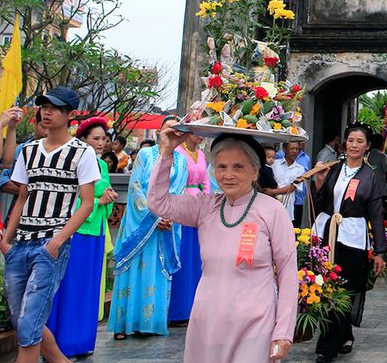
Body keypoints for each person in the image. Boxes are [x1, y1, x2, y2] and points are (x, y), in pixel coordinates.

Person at [149, 129, 297, 363]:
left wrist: (283, 332)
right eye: (222, 167)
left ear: (255, 171)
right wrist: (167, 152)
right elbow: (159, 202)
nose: (228, 175)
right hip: (207, 321)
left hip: (255, 323)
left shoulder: (272, 211)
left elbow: (288, 272)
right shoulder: (205, 206)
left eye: (238, 167)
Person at [2, 87, 100, 363]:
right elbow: (22, 196)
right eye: (44, 107)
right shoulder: (29, 150)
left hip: (50, 244)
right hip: (19, 243)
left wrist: (57, 242)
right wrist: (6, 242)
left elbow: (87, 203)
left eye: (54, 108)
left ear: (70, 114)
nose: (46, 112)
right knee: (20, 317)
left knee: (30, 322)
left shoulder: (82, 153)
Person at [311, 122, 387, 363]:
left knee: (346, 290)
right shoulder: (334, 169)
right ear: (345, 143)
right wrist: (320, 181)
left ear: (367, 146)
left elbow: (376, 214)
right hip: (329, 235)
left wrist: (380, 251)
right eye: (351, 140)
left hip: (353, 238)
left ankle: (330, 345)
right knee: (328, 288)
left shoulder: (370, 176)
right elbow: (321, 202)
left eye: (360, 141)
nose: (355, 145)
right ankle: (335, 339)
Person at [108, 116, 189, 340]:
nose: (172, 133)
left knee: (157, 269)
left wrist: (171, 215)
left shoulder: (182, 161)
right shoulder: (145, 154)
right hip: (141, 221)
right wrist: (153, 217)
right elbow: (135, 187)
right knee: (133, 268)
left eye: (176, 129)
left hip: (166, 225)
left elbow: (179, 192)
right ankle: (123, 324)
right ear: (159, 132)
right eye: (168, 129)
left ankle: (149, 323)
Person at [46, 116, 116, 357]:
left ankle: (83, 341)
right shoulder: (73, 160)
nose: (100, 143)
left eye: (103, 139)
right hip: (77, 230)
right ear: (83, 138)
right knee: (70, 285)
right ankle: (62, 342)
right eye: (95, 138)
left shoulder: (103, 165)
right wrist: (98, 201)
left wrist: (104, 200)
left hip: (96, 230)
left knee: (89, 287)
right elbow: (70, 198)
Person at [168, 131, 210, 325]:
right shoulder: (176, 152)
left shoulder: (201, 155)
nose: (201, 137)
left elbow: (206, 182)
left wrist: (206, 201)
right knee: (181, 255)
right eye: (198, 132)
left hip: (198, 207)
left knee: (196, 257)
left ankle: (195, 307)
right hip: (180, 204)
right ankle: (178, 309)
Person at [271, 141, 306, 228]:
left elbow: (293, 187)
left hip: (289, 207)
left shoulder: (300, 169)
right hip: (272, 203)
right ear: (284, 149)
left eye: (297, 149)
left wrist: (272, 191)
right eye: (292, 148)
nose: (295, 151)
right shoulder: (275, 164)